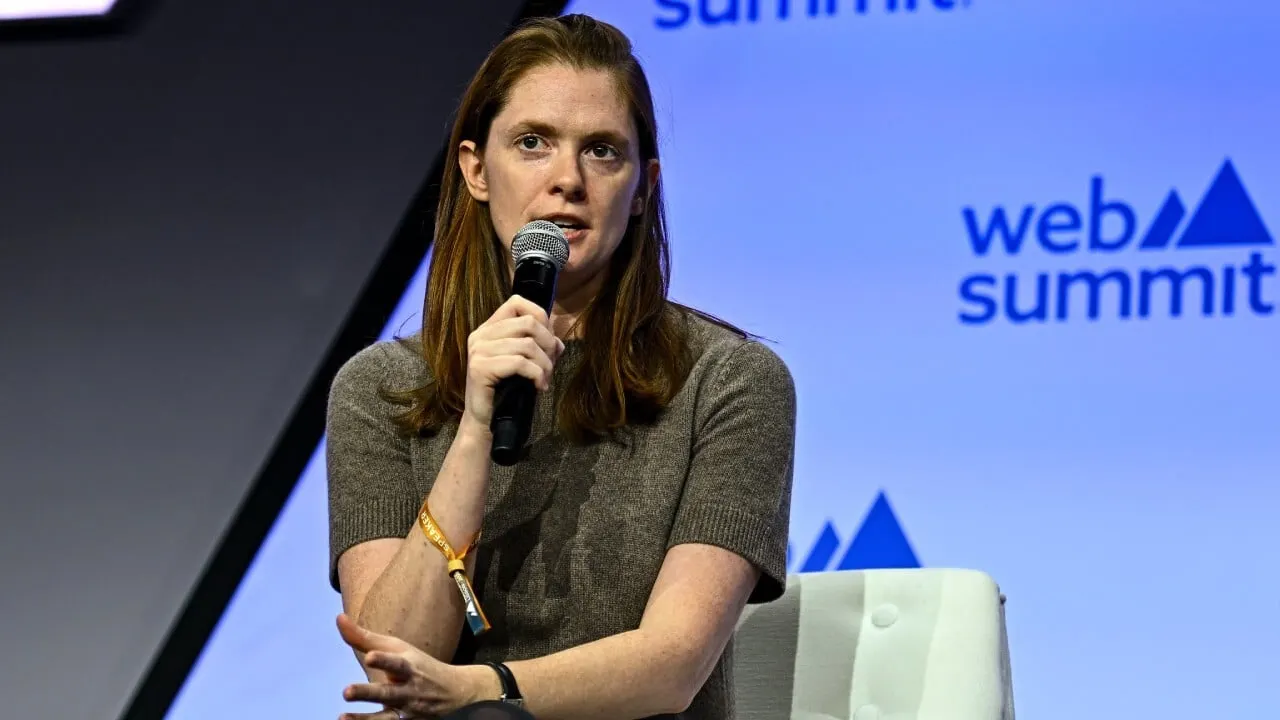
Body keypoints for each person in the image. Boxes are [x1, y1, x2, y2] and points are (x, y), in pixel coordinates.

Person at [326, 13, 796, 720]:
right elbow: (394, 654)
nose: (567, 180)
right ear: (477, 169)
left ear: (642, 188)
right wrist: (478, 428)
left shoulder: (731, 383)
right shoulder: (379, 390)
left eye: (603, 151)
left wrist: (483, 690)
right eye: (533, 143)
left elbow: (673, 664)